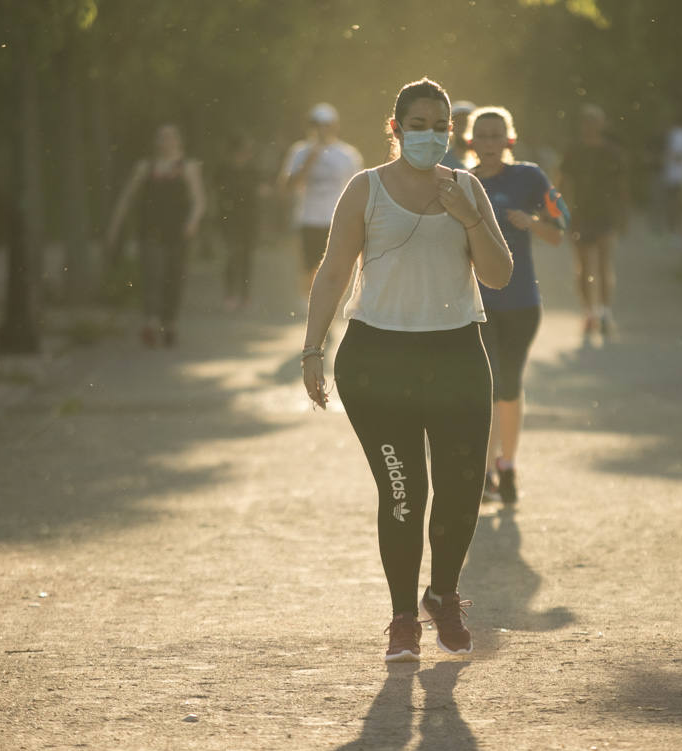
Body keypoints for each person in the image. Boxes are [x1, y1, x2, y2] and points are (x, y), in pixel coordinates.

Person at [300, 78, 512, 663]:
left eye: (441, 125)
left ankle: (442, 595)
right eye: (418, 124)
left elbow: (498, 275)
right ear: (395, 129)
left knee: (462, 489)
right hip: (378, 361)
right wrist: (312, 349)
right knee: (404, 491)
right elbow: (333, 271)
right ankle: (401, 618)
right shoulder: (364, 190)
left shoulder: (467, 189)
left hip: (456, 357)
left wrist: (471, 220)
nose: (431, 135)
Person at [466, 106, 569, 505]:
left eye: (497, 136)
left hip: (522, 302)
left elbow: (561, 227)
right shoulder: (462, 182)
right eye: (482, 136)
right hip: (478, 304)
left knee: (509, 386)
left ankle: (507, 467)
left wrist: (532, 222)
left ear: (509, 140)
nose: (489, 143)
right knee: (488, 386)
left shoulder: (528, 177)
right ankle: (487, 471)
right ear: (470, 141)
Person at [106, 123, 205, 347]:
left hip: (178, 232)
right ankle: (150, 323)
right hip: (150, 230)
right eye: (162, 137)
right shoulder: (145, 167)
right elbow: (127, 198)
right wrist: (115, 225)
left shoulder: (187, 167)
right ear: (156, 142)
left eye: (171, 137)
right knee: (152, 276)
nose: (166, 142)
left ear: (179, 141)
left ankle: (170, 324)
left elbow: (199, 200)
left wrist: (192, 222)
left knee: (174, 277)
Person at [559, 104, 628, 343]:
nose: (590, 126)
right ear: (582, 125)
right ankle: (589, 312)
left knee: (603, 264)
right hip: (580, 215)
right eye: (586, 121)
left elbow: (622, 187)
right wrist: (563, 213)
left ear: (602, 124)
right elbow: (564, 182)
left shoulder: (612, 152)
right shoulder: (574, 151)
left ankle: (605, 313)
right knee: (583, 267)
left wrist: (622, 215)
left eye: (594, 121)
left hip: (605, 214)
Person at [279, 103, 363, 296]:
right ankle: (311, 307)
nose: (322, 130)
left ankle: (328, 314)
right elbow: (287, 186)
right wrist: (310, 159)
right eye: (317, 125)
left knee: (332, 270)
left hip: (336, 221)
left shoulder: (347, 155)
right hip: (308, 220)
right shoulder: (299, 151)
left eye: (326, 125)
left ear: (335, 126)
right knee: (309, 270)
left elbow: (358, 190)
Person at [214, 133, 264, 310]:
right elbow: (218, 193)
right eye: (244, 149)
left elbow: (259, 192)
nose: (247, 153)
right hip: (229, 218)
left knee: (247, 258)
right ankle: (230, 294)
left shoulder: (253, 170)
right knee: (232, 255)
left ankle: (245, 295)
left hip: (249, 218)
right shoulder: (224, 170)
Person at [441, 100, 476, 170]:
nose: (463, 127)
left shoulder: (485, 158)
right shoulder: (440, 159)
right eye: (459, 122)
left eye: (467, 123)